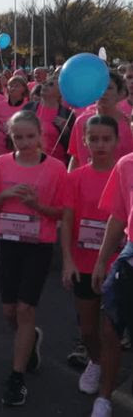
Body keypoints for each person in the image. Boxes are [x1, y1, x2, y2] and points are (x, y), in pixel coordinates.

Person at [0, 110, 68, 407]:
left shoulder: (57, 168)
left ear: (41, 136)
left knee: (24, 309)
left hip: (38, 245)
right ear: (10, 137)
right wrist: (7, 193)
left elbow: (62, 212)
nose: (24, 142)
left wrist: (38, 205)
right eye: (18, 137)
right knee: (9, 312)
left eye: (30, 136)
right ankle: (30, 338)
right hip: (8, 242)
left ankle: (16, 377)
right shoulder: (0, 163)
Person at [60, 115, 118, 402]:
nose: (100, 144)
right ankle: (95, 362)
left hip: (117, 265)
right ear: (84, 142)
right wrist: (67, 261)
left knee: (111, 331)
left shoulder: (125, 175)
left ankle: (106, 389)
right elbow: (67, 222)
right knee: (87, 329)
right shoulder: (75, 178)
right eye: (93, 139)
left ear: (117, 141)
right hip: (83, 262)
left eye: (106, 139)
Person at [90, 140, 133, 417]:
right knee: (109, 327)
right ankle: (104, 398)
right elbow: (118, 217)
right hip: (130, 255)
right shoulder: (127, 164)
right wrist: (101, 260)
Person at [68, 72, 133, 171]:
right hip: (87, 183)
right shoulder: (81, 122)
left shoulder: (128, 124)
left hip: (120, 182)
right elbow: (75, 158)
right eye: (99, 87)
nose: (103, 92)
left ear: (120, 93)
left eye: (109, 88)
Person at [24, 76, 73, 163]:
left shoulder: (67, 114)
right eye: (44, 83)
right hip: (30, 161)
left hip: (57, 164)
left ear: (61, 92)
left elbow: (72, 146)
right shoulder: (29, 108)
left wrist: (66, 132)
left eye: (50, 84)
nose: (45, 86)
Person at [0, 75, 29, 158]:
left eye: (17, 86)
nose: (13, 88)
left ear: (24, 89)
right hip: (1, 146)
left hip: (21, 145)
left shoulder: (28, 107)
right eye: (11, 85)